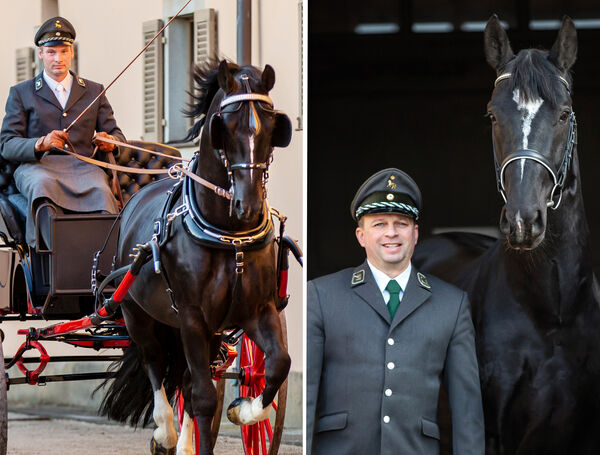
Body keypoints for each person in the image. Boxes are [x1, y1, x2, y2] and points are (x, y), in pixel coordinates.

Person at [307, 168, 484, 454]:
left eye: (401, 223)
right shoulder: (321, 295)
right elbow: (307, 397)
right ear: (361, 235)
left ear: (415, 234)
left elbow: (467, 412)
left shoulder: (453, 304)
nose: (391, 232)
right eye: (379, 224)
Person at [0, 16, 125, 247]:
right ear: (40, 54)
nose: (58, 59)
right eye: (51, 52)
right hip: (37, 168)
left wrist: (111, 142)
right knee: (42, 187)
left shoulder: (94, 91)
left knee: (101, 191)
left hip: (84, 168)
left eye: (64, 51)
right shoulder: (21, 92)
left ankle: (104, 265)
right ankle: (50, 264)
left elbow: (116, 134)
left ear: (72, 53)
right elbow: (7, 144)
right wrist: (40, 144)